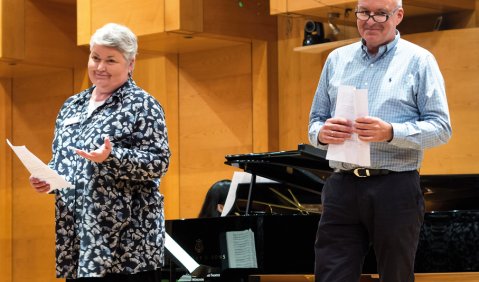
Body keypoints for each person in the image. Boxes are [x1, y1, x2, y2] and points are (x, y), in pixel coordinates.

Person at [308, 0, 452, 281]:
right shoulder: (336, 59)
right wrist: (321, 135)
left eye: (380, 14)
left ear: (398, 16)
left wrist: (391, 133)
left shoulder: (419, 61)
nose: (370, 20)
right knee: (330, 275)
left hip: (394, 187)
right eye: (363, 12)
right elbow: (315, 122)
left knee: (395, 275)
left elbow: (441, 128)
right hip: (341, 185)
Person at [28, 23, 171, 281]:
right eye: (95, 58)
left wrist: (112, 157)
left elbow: (158, 162)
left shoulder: (143, 105)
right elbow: (63, 161)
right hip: (78, 239)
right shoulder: (72, 106)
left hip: (128, 245)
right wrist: (47, 179)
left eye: (110, 60)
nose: (100, 67)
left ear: (130, 63)